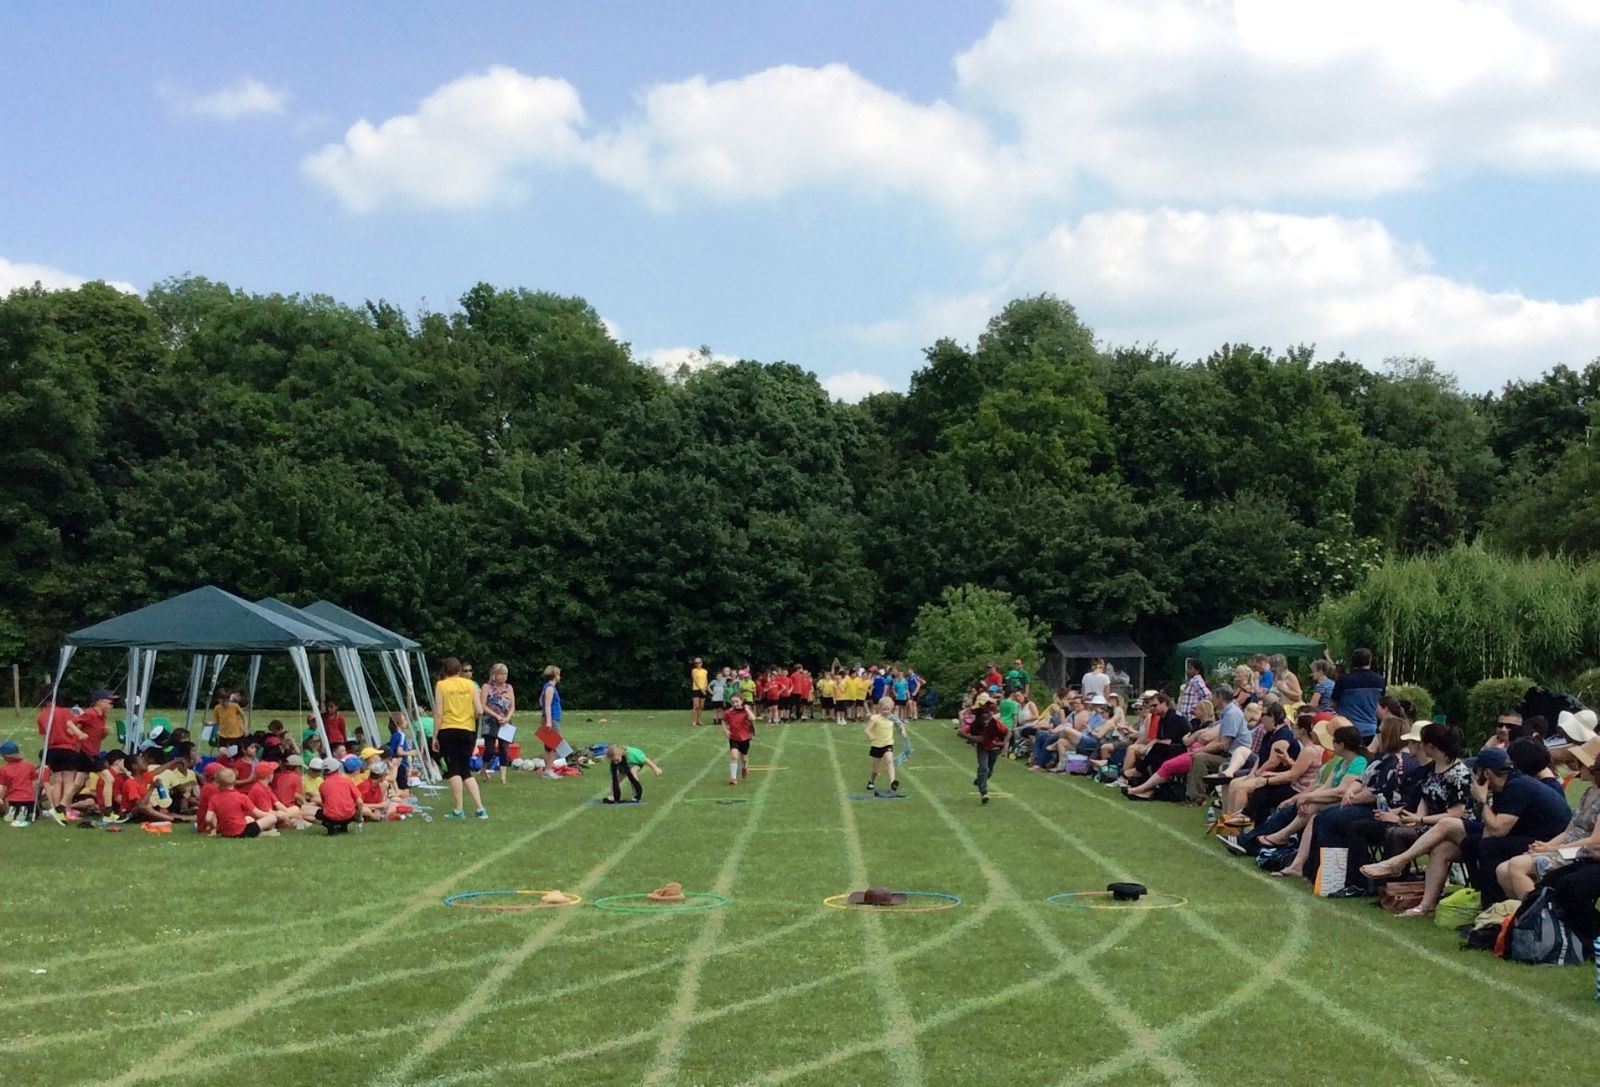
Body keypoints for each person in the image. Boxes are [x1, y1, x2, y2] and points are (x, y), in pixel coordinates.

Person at [1361, 739, 1570, 914]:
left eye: (1476, 771)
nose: (1473, 777)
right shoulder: (1505, 785)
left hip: (1548, 841)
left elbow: (1498, 830)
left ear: (1486, 773)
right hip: (1524, 834)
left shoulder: (1518, 786)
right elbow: (1490, 828)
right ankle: (1425, 904)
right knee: (1444, 846)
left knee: (1486, 847)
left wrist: (1482, 800)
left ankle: (1490, 906)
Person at [1496, 746, 1600, 902]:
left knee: (1517, 866)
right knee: (1502, 870)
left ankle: (1540, 911)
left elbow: (1593, 841)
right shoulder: (1587, 793)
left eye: (1580, 762)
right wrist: (1545, 846)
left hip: (1580, 852)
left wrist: (1552, 849)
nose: (1577, 765)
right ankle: (1530, 909)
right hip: (1566, 847)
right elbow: (1569, 831)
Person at [431, 657, 489, 820]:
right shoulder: (470, 685)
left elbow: (439, 713)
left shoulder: (441, 685)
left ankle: (458, 809)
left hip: (448, 729)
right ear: (459, 670)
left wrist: (435, 736)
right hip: (467, 730)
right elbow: (479, 710)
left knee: (453, 769)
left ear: (445, 670)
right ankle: (480, 808)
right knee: (465, 770)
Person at [40, 691, 88, 818]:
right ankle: (65, 808)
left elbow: (44, 736)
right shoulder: (64, 712)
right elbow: (70, 728)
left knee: (57, 781)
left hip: (52, 749)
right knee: (68, 781)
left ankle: (56, 808)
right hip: (67, 748)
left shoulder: (42, 715)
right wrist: (79, 734)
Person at [960, 693, 1008, 805]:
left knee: (989, 771)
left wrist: (1003, 743)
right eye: (983, 714)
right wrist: (974, 738)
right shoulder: (976, 723)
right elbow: (961, 732)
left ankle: (980, 780)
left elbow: (1007, 732)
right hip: (983, 747)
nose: (986, 716)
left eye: (988, 713)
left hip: (995, 748)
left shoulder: (996, 723)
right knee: (984, 768)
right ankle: (984, 792)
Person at [205, 768, 281, 838]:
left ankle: (262, 833)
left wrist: (212, 827)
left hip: (226, 832)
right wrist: (274, 815)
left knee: (249, 818)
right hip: (242, 831)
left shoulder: (214, 798)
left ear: (218, 783)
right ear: (234, 780)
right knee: (272, 818)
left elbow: (208, 818)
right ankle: (263, 833)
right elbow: (258, 813)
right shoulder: (241, 797)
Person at [1331, 648, 1385, 741]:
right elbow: (1381, 703)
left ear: (1352, 661)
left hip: (1347, 730)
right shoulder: (1380, 680)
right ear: (1370, 661)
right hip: (1371, 730)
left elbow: (1334, 703)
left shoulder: (1343, 680)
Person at [480, 663, 516, 786]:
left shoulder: (509, 688)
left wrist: (507, 718)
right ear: (494, 675)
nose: (503, 676)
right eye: (500, 674)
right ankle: (484, 768)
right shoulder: (487, 687)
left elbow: (512, 706)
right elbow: (483, 705)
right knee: (490, 749)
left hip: (505, 721)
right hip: (490, 721)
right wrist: (496, 715)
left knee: (504, 749)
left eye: (505, 674)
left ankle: (503, 777)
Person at [865, 696, 907, 796]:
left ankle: (893, 782)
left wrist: (903, 731)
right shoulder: (875, 718)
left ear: (891, 708)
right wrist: (871, 736)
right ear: (879, 708)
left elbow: (900, 725)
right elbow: (867, 729)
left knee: (889, 760)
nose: (886, 711)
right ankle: (872, 781)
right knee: (876, 769)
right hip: (876, 745)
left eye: (888, 709)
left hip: (888, 743)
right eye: (884, 709)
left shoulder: (893, 718)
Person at [316, 757, 362, 835]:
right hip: (349, 816)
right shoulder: (348, 782)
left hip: (331, 817)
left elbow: (324, 804)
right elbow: (360, 802)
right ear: (338, 769)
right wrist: (360, 817)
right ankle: (343, 827)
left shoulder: (322, 785)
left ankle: (331, 826)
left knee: (319, 813)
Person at [2, 740, 39, 826]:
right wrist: (36, 798)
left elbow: (3, 788)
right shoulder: (29, 765)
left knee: (14, 804)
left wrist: (4, 800)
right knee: (35, 812)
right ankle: (24, 810)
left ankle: (13, 809)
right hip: (28, 798)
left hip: (13, 799)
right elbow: (34, 784)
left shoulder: (4, 769)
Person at [538, 665, 564, 780]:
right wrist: (548, 721)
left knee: (549, 746)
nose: (559, 677)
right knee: (554, 745)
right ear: (554, 675)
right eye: (558, 674)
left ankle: (547, 769)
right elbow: (547, 705)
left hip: (551, 718)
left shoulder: (547, 687)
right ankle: (549, 770)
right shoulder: (550, 688)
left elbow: (541, 701)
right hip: (552, 719)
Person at [723, 694, 755, 786]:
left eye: (737, 702)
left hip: (745, 738)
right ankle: (733, 778)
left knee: (744, 758)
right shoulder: (729, 712)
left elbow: (753, 718)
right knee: (734, 756)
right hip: (734, 738)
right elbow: (724, 721)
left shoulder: (745, 711)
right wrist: (726, 730)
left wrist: (747, 709)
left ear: (741, 701)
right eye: (733, 702)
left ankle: (745, 767)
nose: (735, 704)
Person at [690, 657, 709, 728]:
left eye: (699, 662)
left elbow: (706, 681)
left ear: (702, 663)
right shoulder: (694, 671)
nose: (698, 664)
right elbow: (695, 680)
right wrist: (701, 689)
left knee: (701, 706)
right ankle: (694, 721)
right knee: (696, 706)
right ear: (695, 664)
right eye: (696, 663)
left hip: (704, 689)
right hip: (696, 689)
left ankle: (698, 720)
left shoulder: (705, 671)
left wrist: (707, 689)